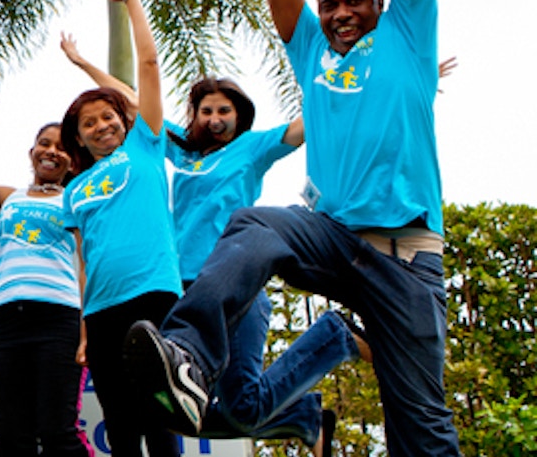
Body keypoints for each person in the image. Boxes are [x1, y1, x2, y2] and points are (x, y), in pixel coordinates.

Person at [125, 0, 460, 456]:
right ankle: (189, 357)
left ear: (381, 2)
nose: (338, 13)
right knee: (256, 223)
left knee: (420, 421)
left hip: (407, 257)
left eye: (352, 1)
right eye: (328, 4)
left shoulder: (409, 36)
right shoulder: (310, 51)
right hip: (332, 234)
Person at [63, 36, 364, 451]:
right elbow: (130, 101)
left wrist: (373, 87)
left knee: (235, 406)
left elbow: (308, 123)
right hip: (184, 292)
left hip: (235, 285)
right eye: (207, 111)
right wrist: (83, 63)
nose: (215, 118)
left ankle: (334, 338)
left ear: (239, 117)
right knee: (181, 410)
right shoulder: (180, 153)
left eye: (225, 110)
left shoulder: (251, 147)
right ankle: (303, 416)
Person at [59, 0, 180, 457]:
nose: (101, 125)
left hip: (154, 293)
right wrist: (86, 326)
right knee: (120, 421)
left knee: (159, 414)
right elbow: (82, 260)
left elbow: (148, 68)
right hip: (102, 310)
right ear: (80, 138)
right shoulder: (74, 190)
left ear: (124, 120)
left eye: (107, 115)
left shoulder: (145, 145)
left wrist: (130, 2)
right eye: (88, 123)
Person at [0, 123, 93, 457]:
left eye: (61, 148)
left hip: (59, 318)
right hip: (5, 321)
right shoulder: (7, 197)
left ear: (73, 161)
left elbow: (88, 264)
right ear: (31, 153)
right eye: (43, 144)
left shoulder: (78, 200)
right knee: (11, 434)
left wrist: (87, 329)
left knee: (57, 430)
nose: (51, 151)